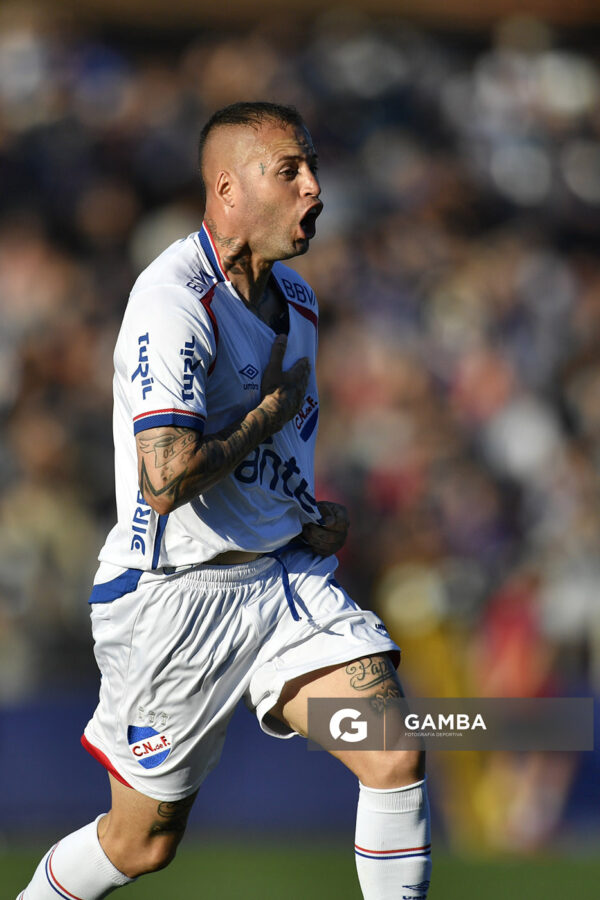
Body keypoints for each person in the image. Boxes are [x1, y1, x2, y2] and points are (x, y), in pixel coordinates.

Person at [18, 101, 431, 900]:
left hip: (282, 585)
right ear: (228, 187)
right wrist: (264, 416)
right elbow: (165, 480)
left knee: (395, 749)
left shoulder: (302, 306)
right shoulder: (174, 302)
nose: (315, 187)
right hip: (174, 599)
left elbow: (271, 461)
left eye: (312, 169)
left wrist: (306, 516)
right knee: (140, 845)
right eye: (290, 171)